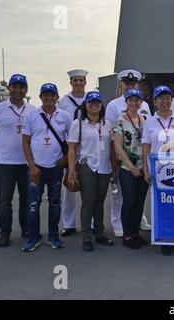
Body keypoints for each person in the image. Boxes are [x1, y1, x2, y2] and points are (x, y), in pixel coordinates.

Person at [21, 83, 71, 251]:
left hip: (56, 168)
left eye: (52, 95)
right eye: (45, 95)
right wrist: (31, 165)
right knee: (33, 204)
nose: (49, 98)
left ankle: (53, 236)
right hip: (37, 168)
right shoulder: (31, 115)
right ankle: (33, 238)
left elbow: (72, 144)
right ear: (40, 97)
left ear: (57, 97)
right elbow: (26, 142)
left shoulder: (64, 116)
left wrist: (66, 159)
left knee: (55, 203)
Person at [0, 74, 35, 247]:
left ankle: (26, 229)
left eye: (21, 87)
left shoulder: (32, 110)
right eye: (14, 86)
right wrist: (2, 144)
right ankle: (5, 233)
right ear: (9, 88)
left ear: (26, 89)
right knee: (4, 200)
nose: (17, 90)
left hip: (26, 162)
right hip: (5, 162)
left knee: (26, 198)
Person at [67, 92, 117, 252]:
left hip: (104, 168)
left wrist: (114, 170)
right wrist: (72, 171)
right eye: (91, 102)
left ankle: (99, 233)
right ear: (86, 105)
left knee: (99, 203)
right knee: (88, 203)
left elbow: (112, 150)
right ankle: (87, 237)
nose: (94, 105)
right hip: (87, 166)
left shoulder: (107, 124)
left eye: (97, 102)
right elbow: (72, 149)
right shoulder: (78, 124)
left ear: (101, 105)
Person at [142, 86, 174, 256]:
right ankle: (164, 239)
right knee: (160, 205)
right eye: (161, 98)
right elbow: (146, 147)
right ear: (154, 102)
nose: (165, 101)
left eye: (168, 97)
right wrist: (146, 170)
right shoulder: (149, 122)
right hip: (158, 169)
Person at [106, 69, 152, 238]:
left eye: (133, 84)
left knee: (138, 199)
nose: (130, 86)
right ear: (121, 84)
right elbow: (112, 138)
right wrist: (115, 162)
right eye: (127, 83)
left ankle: (137, 225)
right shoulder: (113, 105)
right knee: (122, 196)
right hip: (124, 160)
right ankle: (119, 224)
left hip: (142, 161)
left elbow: (149, 134)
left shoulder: (146, 107)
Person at [114, 89, 149, 249]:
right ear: (126, 102)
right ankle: (127, 235)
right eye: (131, 100)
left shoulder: (144, 119)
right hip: (128, 168)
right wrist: (132, 167)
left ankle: (135, 233)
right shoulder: (121, 120)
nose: (134, 103)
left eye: (137, 100)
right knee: (129, 201)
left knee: (139, 202)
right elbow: (118, 148)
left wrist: (144, 167)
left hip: (143, 168)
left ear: (140, 102)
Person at [58, 69, 88, 237]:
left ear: (85, 82)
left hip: (88, 148)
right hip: (70, 148)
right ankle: (69, 224)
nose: (78, 83)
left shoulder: (91, 100)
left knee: (89, 188)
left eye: (80, 80)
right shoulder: (63, 102)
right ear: (71, 83)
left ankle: (89, 223)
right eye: (75, 80)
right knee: (69, 188)